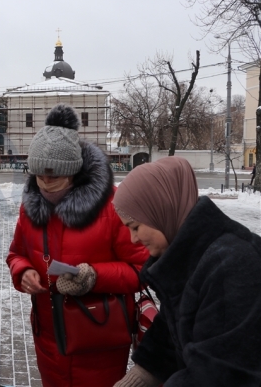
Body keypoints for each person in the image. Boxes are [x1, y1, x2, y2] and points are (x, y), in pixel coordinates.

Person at [6, 104, 148, 387]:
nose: (45, 185)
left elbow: (142, 269)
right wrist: (22, 272)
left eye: (55, 177)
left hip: (99, 339)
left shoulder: (113, 206)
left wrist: (94, 277)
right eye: (39, 176)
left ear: (74, 172)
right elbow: (16, 254)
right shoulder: (31, 206)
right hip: (49, 338)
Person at [112, 157, 261, 387]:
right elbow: (171, 338)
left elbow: (217, 375)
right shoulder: (189, 259)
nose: (133, 239)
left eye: (135, 227)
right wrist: (137, 379)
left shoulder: (229, 267)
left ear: (160, 210)